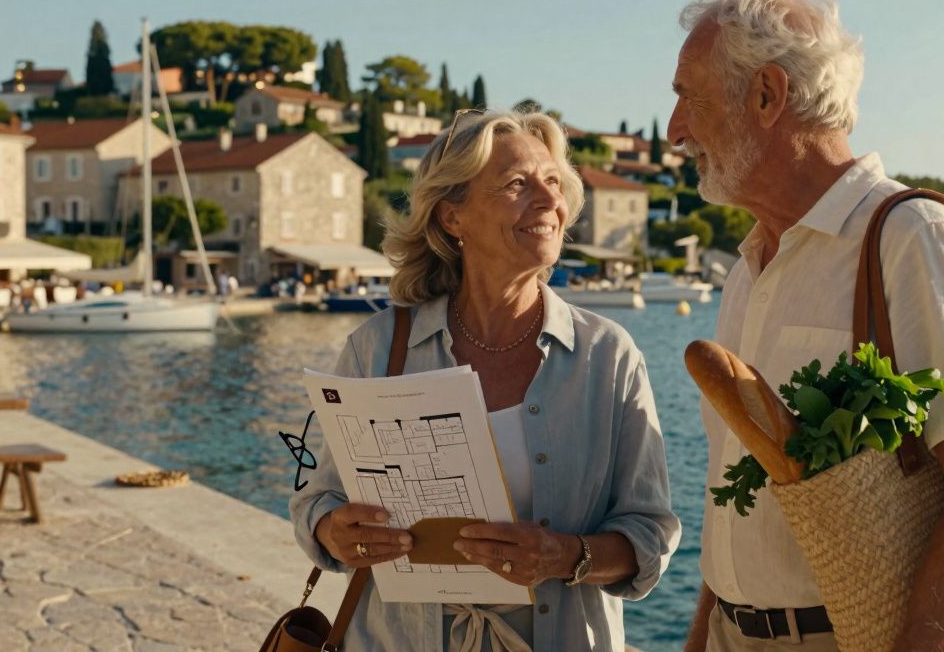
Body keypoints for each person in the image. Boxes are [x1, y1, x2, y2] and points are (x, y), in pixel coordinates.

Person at [667, 0, 944, 652]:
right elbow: (741, 509)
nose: (674, 131)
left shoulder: (915, 239)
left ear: (767, 95)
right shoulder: (747, 270)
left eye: (688, 98)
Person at [290, 109, 680, 651]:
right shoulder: (376, 347)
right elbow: (317, 501)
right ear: (453, 218)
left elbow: (652, 533)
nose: (548, 201)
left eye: (553, 182)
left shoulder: (609, 355)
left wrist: (564, 556)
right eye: (518, 184)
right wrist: (336, 532)